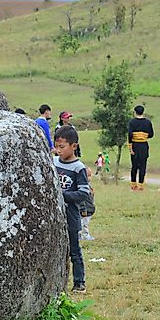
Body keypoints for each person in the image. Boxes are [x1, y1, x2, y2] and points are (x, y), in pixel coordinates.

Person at [53, 125, 91, 294]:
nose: (58, 150)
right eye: (56, 146)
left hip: (71, 215)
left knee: (74, 250)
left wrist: (63, 195)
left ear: (74, 146)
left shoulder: (78, 168)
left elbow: (84, 193)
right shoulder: (53, 161)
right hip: (55, 215)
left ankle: (79, 282)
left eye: (62, 147)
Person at [128, 104, 154, 191]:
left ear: (135, 112)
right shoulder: (148, 122)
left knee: (134, 166)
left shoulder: (132, 122)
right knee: (143, 166)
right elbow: (151, 134)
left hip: (135, 145)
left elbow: (130, 135)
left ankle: (133, 185)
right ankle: (141, 185)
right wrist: (143, 135)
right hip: (144, 145)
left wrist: (130, 148)